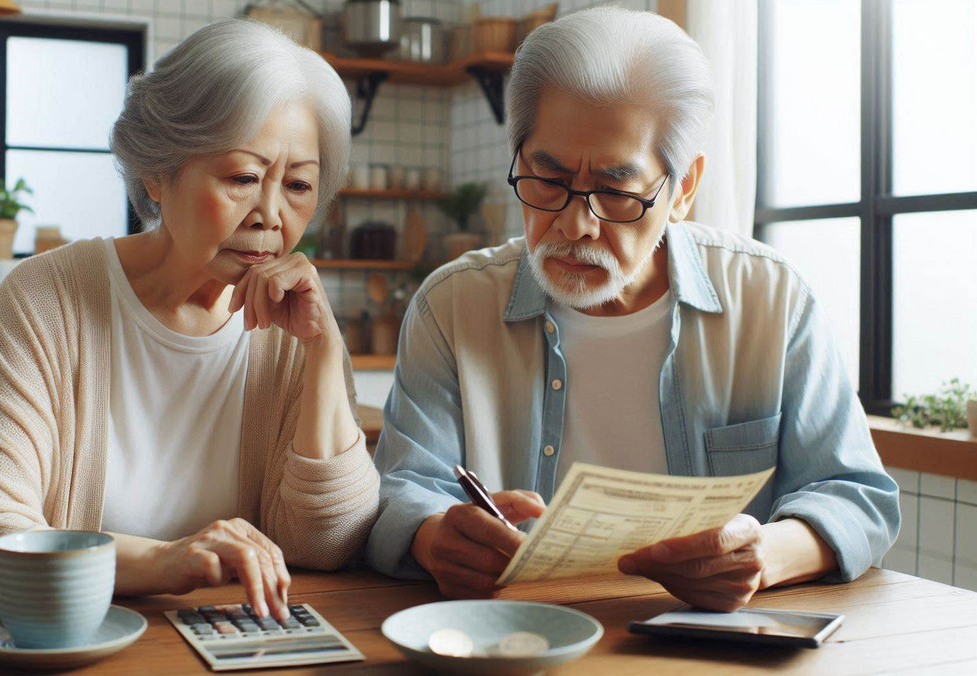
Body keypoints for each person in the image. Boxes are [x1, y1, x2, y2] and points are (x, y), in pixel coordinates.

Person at [365, 7, 898, 611]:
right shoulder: (453, 306)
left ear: (685, 188)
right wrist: (437, 538)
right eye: (547, 180)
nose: (575, 223)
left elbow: (857, 496)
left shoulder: (771, 299)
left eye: (617, 192)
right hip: (510, 637)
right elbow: (402, 490)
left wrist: (767, 556)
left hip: (709, 643)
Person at [0, 19, 379, 620]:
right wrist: (164, 561)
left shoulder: (294, 328)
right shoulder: (46, 300)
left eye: (299, 185)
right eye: (243, 178)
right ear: (157, 172)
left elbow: (325, 545)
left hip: (233, 644)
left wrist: (325, 352)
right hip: (68, 648)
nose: (270, 215)